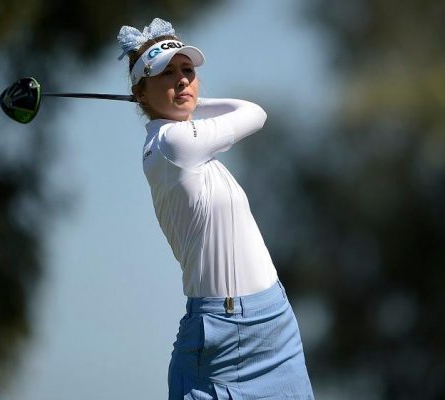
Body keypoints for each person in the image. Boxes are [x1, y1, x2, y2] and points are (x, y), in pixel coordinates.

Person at [117, 18, 315, 399]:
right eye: (167, 74)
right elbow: (254, 114)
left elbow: (252, 110)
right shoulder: (172, 145)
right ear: (140, 92)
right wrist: (194, 104)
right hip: (222, 337)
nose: (182, 81)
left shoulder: (185, 145)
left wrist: (187, 103)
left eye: (187, 72)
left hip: (275, 323)